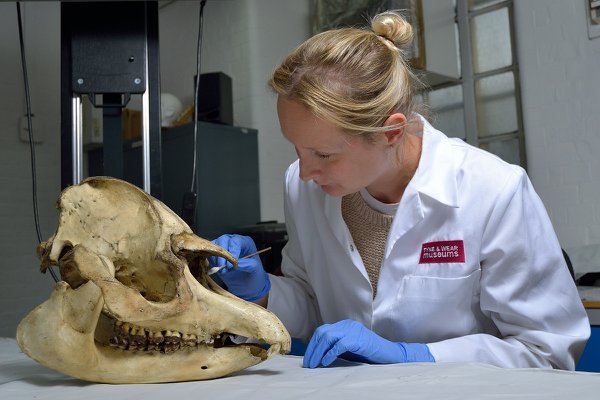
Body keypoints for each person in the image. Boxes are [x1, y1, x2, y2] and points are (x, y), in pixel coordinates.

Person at [208, 10, 590, 369]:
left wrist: (416, 356)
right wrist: (262, 292)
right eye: (297, 148)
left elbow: (547, 350)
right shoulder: (303, 186)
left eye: (323, 153)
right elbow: (312, 302)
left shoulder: (492, 191)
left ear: (390, 131)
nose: (305, 171)